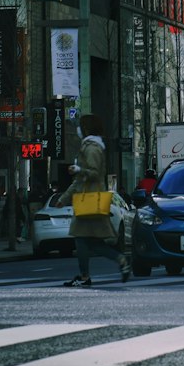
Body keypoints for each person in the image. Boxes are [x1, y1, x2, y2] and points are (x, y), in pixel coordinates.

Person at [59, 113, 130, 288]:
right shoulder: (91, 147)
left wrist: (78, 169)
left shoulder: (91, 148)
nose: (78, 129)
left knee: (82, 238)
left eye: (80, 126)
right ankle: (120, 260)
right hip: (89, 199)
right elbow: (80, 180)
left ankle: (85, 276)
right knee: (92, 242)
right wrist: (64, 198)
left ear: (86, 128)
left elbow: (94, 173)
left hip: (89, 200)